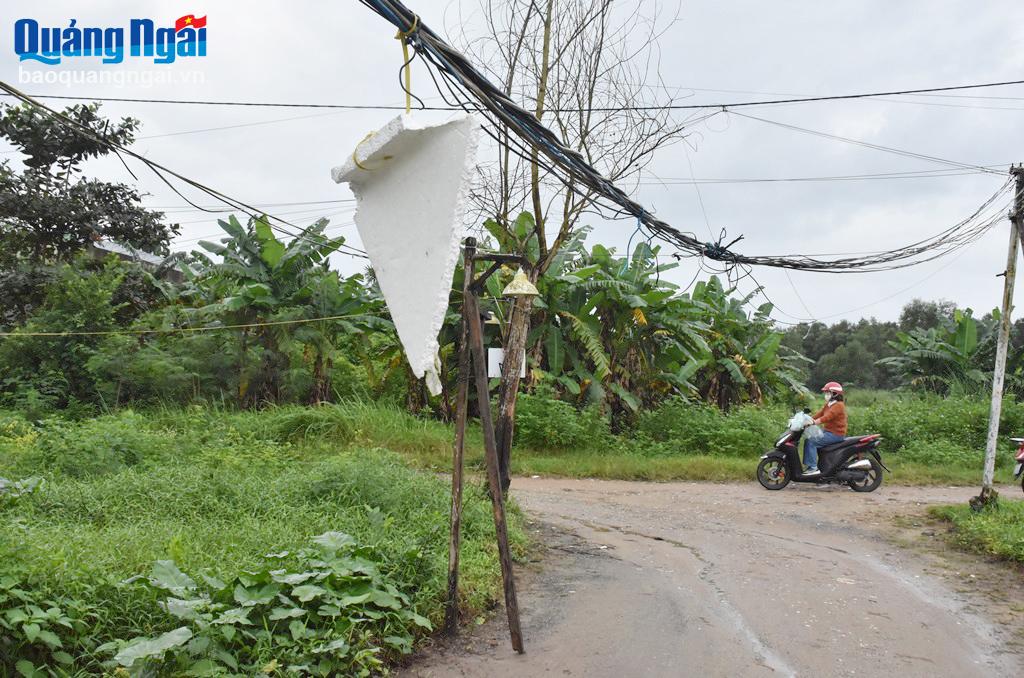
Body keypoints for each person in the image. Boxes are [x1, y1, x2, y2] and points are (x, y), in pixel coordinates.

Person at [803, 381, 847, 475]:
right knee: (809, 439)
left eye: (828, 393)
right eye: (825, 393)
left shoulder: (839, 405)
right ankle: (817, 466)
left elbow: (827, 417)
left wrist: (814, 422)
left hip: (836, 434)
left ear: (834, 394)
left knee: (811, 441)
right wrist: (808, 419)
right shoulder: (829, 404)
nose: (826, 395)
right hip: (828, 432)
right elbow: (820, 413)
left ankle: (813, 468)